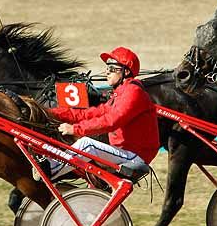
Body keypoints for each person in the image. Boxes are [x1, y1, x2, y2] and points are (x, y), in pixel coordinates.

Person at [43, 47, 160, 179]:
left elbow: (111, 121)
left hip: (135, 157)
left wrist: (75, 129)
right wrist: (50, 112)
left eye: (112, 69)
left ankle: (48, 170)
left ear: (126, 71)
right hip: (123, 152)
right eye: (107, 68)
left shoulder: (133, 92)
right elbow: (88, 114)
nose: (107, 72)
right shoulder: (119, 94)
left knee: (88, 144)